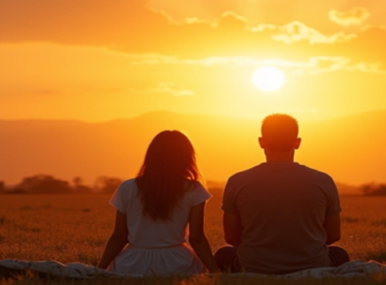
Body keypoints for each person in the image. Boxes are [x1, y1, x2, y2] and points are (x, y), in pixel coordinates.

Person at [214, 114, 349, 274]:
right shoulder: (323, 181)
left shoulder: (237, 181)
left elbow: (231, 238)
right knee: (339, 254)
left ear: (261, 142)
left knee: (223, 254)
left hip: (253, 267)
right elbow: (333, 235)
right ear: (297, 143)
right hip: (313, 266)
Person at [96, 130, 220, 275]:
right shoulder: (194, 189)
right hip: (178, 263)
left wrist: (99, 271)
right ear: (187, 157)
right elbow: (197, 238)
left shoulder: (127, 188)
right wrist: (216, 272)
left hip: (133, 264)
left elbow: (119, 237)